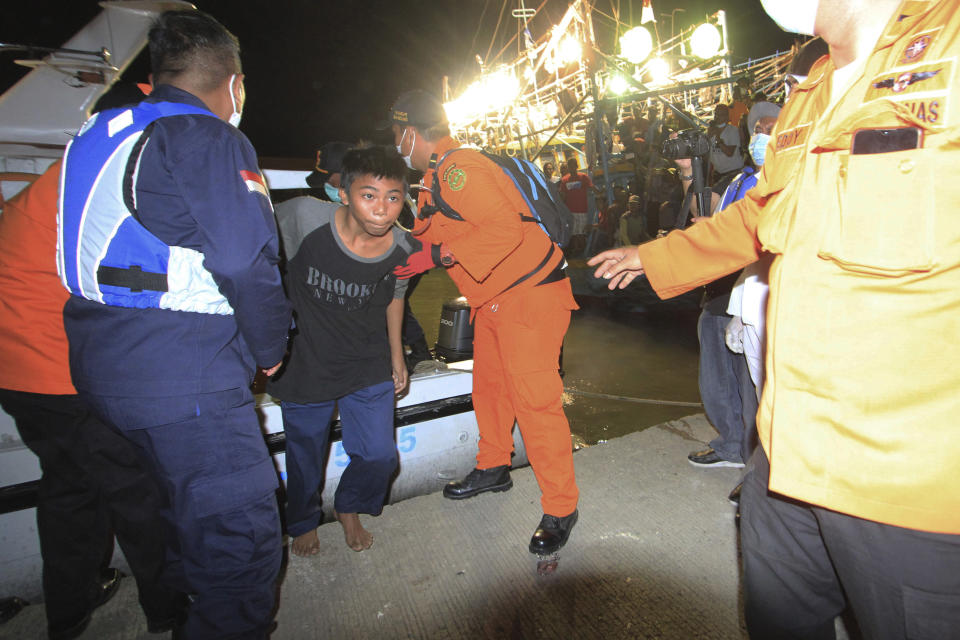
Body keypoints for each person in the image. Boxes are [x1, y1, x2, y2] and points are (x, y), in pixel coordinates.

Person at [590, 0, 960, 636]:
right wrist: (653, 255)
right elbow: (759, 215)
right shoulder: (812, 91)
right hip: (787, 457)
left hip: (910, 487)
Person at [58, 10, 291, 639]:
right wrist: (271, 349)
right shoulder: (206, 136)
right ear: (234, 84)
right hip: (183, 377)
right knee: (241, 548)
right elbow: (246, 260)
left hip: (100, 370)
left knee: (181, 524)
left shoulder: (98, 133)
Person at [388, 90, 580, 556]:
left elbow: (504, 230)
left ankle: (561, 506)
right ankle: (493, 467)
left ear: (411, 132)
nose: (398, 145)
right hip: (494, 298)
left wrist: (434, 255)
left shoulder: (458, 170)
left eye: (398, 137)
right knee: (489, 389)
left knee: (535, 403)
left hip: (530, 297)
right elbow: (426, 240)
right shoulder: (436, 178)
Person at [0, 150, 182, 638]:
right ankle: (168, 608)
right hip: (60, 370)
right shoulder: (112, 177)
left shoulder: (65, 177)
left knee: (69, 489)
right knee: (137, 488)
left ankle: (69, 608)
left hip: (15, 369)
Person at [268, 146, 416, 556]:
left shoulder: (404, 246)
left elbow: (395, 296)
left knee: (381, 456)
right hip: (305, 359)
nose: (382, 210)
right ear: (345, 193)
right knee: (304, 455)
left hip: (366, 360)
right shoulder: (301, 217)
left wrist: (397, 356)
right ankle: (302, 520)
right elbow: (253, 256)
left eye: (393, 197)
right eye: (369, 195)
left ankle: (349, 505)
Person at [558, 156, 594, 256]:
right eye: (570, 166)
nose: (572, 168)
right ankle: (577, 251)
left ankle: (584, 252)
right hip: (570, 211)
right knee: (573, 233)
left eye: (573, 166)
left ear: (577, 166)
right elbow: (563, 196)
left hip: (583, 209)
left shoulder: (584, 177)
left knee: (581, 232)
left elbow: (592, 189)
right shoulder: (564, 180)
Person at [705, 103, 744, 191]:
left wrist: (718, 138)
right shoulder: (711, 131)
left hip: (732, 172)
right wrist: (707, 137)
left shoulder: (732, 130)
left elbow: (729, 152)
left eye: (720, 114)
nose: (717, 117)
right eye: (716, 114)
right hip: (718, 173)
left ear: (726, 116)